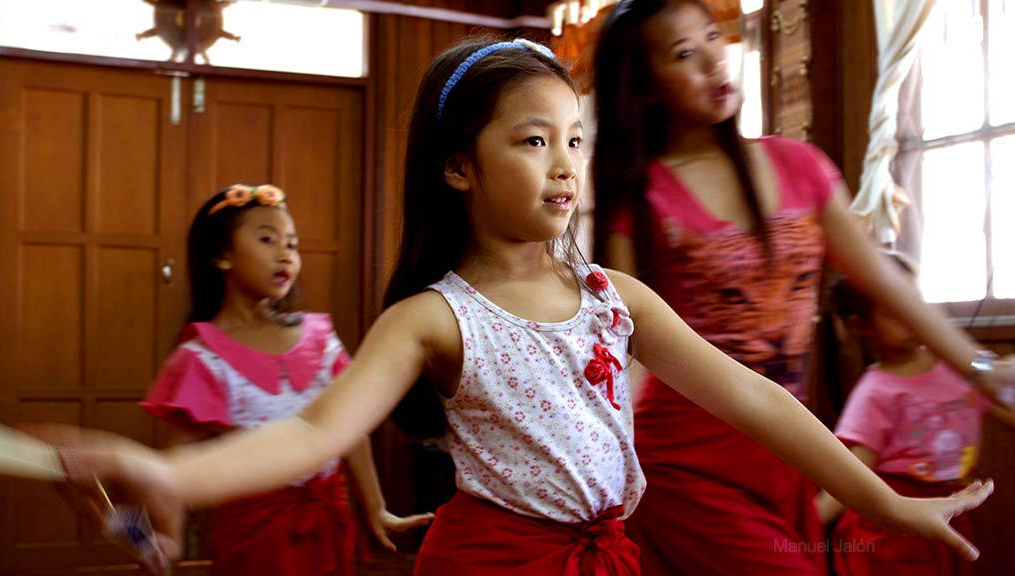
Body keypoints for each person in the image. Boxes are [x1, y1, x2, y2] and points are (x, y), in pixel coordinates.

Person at [49, 37, 997, 576]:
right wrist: (169, 478)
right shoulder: (433, 317)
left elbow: (760, 402)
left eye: (575, 140)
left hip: (607, 561)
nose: (563, 164)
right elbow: (310, 435)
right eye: (532, 139)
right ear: (458, 166)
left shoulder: (614, 299)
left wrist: (882, 503)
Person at [590, 1, 1015, 574]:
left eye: (713, 38)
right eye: (684, 53)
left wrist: (982, 370)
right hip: (685, 468)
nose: (714, 60)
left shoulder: (800, 165)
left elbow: (884, 281)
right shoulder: (642, 202)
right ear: (644, 88)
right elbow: (626, 352)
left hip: (790, 449)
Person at [140, 185, 432, 575]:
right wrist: (167, 536)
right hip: (254, 535)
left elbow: (351, 429)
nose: (285, 255)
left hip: (328, 521)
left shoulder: (320, 338)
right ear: (221, 255)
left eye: (292, 244)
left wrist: (375, 507)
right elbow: (174, 467)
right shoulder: (201, 357)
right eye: (267, 239)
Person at [815, 253, 1015, 575]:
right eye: (895, 311)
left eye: (916, 302)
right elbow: (850, 474)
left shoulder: (959, 372)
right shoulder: (875, 392)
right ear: (861, 324)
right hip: (893, 533)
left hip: (949, 509)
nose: (911, 317)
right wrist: (799, 528)